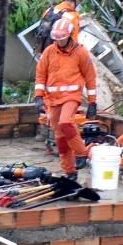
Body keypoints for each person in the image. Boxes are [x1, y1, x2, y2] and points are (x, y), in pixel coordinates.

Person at [34, 17, 97, 181]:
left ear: (69, 36)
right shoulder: (49, 52)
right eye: (56, 39)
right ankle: (70, 171)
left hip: (71, 97)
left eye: (61, 39)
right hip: (53, 99)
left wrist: (92, 102)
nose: (59, 42)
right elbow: (40, 75)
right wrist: (38, 97)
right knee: (60, 137)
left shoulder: (80, 52)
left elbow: (90, 78)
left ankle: (82, 152)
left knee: (65, 123)